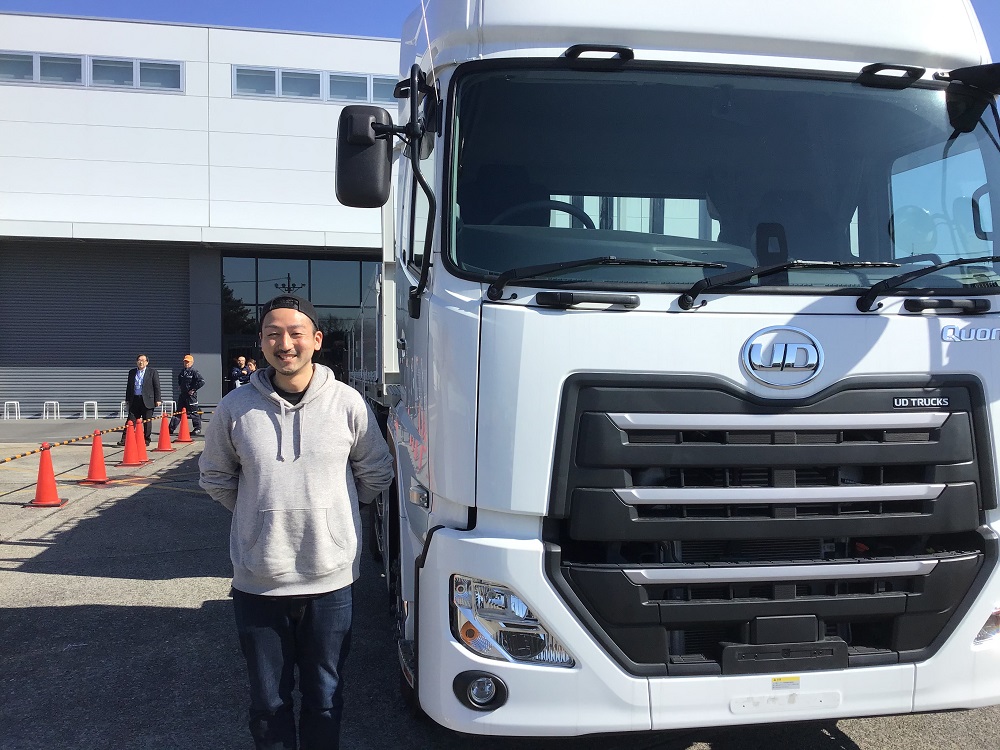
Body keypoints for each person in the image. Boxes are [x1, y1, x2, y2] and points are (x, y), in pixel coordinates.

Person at [199, 294, 393, 750]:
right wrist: (258, 515)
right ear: (261, 341)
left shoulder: (348, 403)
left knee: (325, 698)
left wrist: (337, 515)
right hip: (259, 582)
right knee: (268, 703)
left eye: (295, 333)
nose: (284, 344)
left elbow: (377, 471)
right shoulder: (235, 407)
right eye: (273, 334)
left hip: (330, 580)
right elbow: (215, 476)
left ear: (316, 340)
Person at [119, 354, 161, 446]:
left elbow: (157, 386)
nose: (141, 362)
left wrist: (158, 399)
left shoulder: (152, 372)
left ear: (147, 362)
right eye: (139, 360)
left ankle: (146, 439)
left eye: (143, 360)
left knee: (147, 421)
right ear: (136, 362)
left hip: (147, 400)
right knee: (130, 420)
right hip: (135, 399)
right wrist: (127, 399)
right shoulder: (132, 372)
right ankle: (124, 439)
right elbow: (129, 387)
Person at [169, 354, 205, 437]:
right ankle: (170, 429)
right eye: (185, 362)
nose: (186, 363)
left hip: (191, 397)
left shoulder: (194, 372)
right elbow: (180, 380)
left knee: (194, 412)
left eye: (188, 362)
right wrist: (180, 386)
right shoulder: (182, 372)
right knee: (178, 412)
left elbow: (202, 382)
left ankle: (197, 429)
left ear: (192, 362)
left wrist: (193, 389)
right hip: (183, 395)